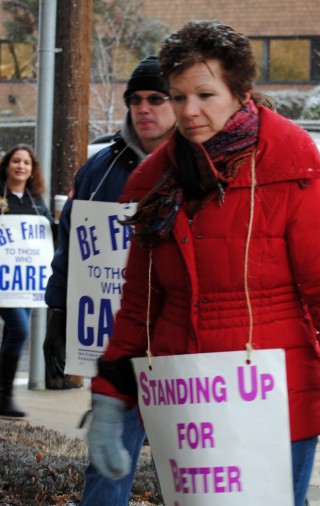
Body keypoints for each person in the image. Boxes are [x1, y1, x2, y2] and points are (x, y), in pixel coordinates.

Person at [85, 20, 320, 506]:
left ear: (241, 92)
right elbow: (140, 306)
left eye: (205, 94)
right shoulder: (155, 182)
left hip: (274, 399)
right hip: (185, 400)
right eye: (179, 97)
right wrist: (110, 395)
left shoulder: (291, 164)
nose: (189, 111)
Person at [42, 56, 176, 504]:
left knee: (191, 470)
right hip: (118, 345)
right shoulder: (98, 171)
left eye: (156, 98)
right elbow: (69, 249)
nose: (144, 108)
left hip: (184, 346)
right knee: (106, 464)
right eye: (135, 99)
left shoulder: (199, 164)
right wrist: (58, 312)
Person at [0, 144, 53, 417]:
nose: (21, 166)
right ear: (7, 165)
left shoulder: (36, 200)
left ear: (32, 170)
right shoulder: (1, 196)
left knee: (12, 334)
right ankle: (5, 395)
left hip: (28, 282)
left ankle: (2, 394)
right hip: (3, 280)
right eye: (16, 161)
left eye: (27, 163)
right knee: (20, 331)